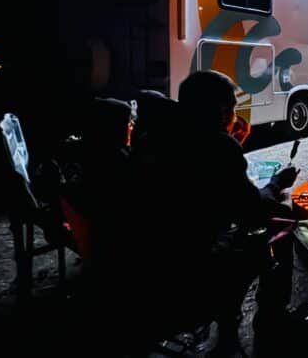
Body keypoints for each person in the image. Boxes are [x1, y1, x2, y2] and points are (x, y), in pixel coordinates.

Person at [121, 71, 298, 354]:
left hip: (136, 269)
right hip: (187, 277)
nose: (233, 112)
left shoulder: (151, 138)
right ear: (220, 108)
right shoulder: (217, 146)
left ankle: (229, 329)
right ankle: (268, 329)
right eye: (231, 105)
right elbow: (252, 211)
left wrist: (232, 146)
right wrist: (277, 183)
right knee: (280, 235)